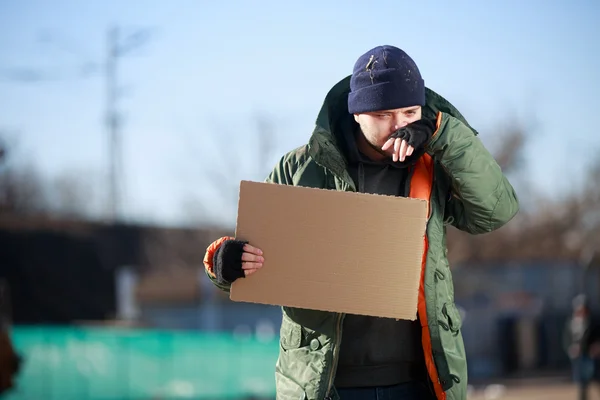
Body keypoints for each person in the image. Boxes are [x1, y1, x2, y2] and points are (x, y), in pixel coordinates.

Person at [203, 45, 519, 400]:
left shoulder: (434, 165)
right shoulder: (299, 168)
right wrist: (225, 264)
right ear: (357, 113)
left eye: (411, 112)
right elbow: (250, 257)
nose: (400, 125)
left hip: (419, 382)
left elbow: (496, 211)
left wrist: (443, 134)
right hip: (325, 383)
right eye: (385, 114)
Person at [564, 294, 600, 400]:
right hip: (579, 357)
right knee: (582, 383)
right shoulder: (571, 322)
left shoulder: (594, 321)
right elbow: (567, 339)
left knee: (597, 379)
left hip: (592, 356)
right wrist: (571, 348)